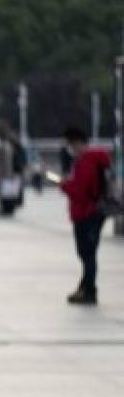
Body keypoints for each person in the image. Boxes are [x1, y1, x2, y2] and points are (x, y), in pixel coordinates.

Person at [60, 126, 112, 305]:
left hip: (85, 213)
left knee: (87, 254)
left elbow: (80, 192)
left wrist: (63, 185)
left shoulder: (85, 163)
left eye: (70, 145)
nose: (70, 149)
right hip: (95, 212)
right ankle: (85, 287)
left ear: (77, 142)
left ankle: (90, 291)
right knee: (88, 253)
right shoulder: (96, 160)